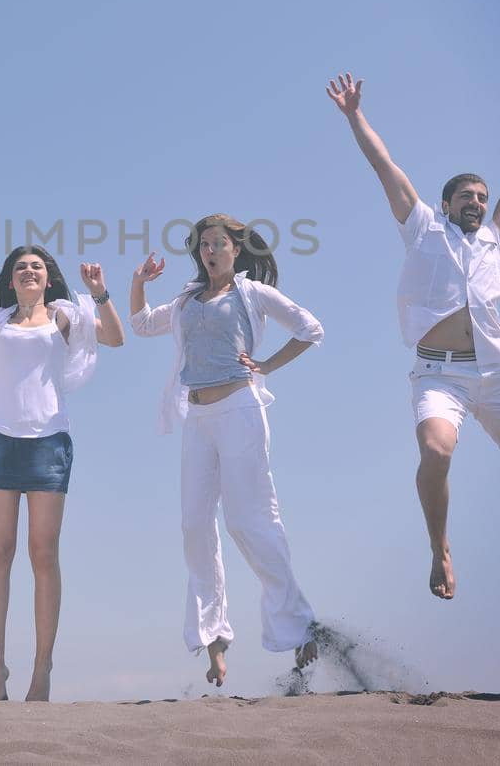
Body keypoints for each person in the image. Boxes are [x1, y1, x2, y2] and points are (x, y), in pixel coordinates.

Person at [327, 74, 500, 601]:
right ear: (446, 204)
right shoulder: (422, 226)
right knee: (436, 450)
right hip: (438, 373)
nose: (477, 201)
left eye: (481, 196)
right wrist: (354, 114)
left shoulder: (496, 241)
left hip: (494, 374)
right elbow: (385, 167)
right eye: (466, 195)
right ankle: (440, 549)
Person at [129, 215, 324, 688]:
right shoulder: (184, 302)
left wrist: (266, 366)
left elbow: (309, 328)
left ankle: (298, 626)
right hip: (198, 418)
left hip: (239, 408)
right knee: (195, 524)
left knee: (248, 520)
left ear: (236, 249)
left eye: (219, 243)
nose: (211, 251)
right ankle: (213, 639)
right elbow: (138, 324)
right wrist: (138, 281)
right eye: (204, 245)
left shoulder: (251, 293)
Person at [0, 247, 126, 702]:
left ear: (48, 279)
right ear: (11, 278)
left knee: (43, 556)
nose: (28, 271)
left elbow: (116, 338)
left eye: (37, 267)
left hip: (49, 444)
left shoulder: (64, 318)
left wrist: (100, 293)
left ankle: (42, 671)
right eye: (21, 266)